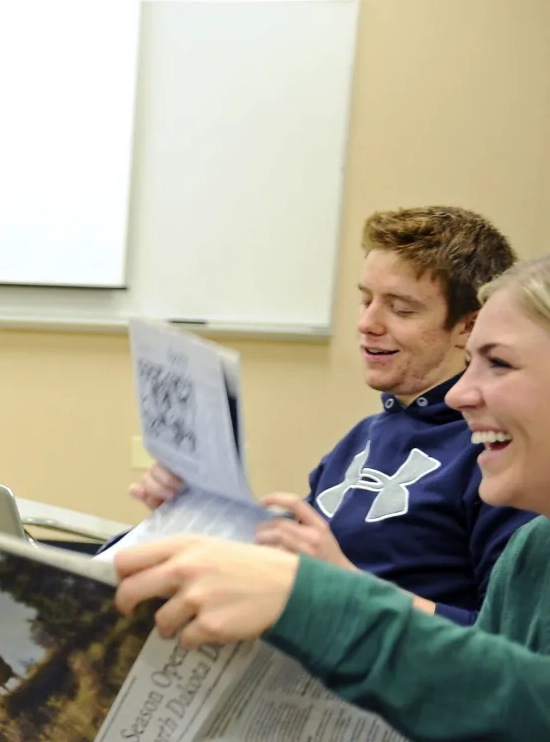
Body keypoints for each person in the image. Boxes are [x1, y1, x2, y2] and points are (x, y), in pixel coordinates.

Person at [114, 252, 550, 740]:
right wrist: (205, 516)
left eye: (500, 363)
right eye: (365, 301)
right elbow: (481, 693)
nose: (459, 394)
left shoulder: (497, 484)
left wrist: (319, 593)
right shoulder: (530, 549)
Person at [127, 207, 532, 623]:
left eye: (401, 309)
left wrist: (345, 586)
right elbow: (286, 556)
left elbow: (501, 649)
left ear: (468, 327)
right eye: (365, 300)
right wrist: (199, 507)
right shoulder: (364, 437)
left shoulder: (498, 452)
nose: (368, 323)